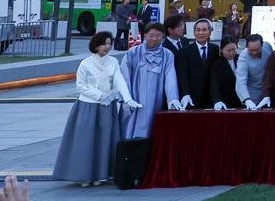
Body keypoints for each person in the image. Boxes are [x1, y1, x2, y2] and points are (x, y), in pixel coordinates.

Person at [53, 32, 139, 186]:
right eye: (104, 43)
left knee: (104, 139)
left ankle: (101, 174)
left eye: (109, 43)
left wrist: (127, 98)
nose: (107, 47)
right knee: (85, 140)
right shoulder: (85, 63)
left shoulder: (113, 62)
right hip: (87, 106)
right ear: (96, 45)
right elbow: (81, 85)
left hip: (107, 107)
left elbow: (119, 80)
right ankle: (84, 175)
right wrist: (100, 95)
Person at [120, 23, 182, 138]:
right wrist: (126, 98)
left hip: (155, 100)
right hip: (135, 97)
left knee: (152, 128)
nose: (154, 38)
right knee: (129, 130)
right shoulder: (133, 53)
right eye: (151, 35)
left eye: (158, 36)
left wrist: (172, 98)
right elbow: (124, 76)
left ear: (163, 37)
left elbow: (170, 77)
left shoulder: (167, 55)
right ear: (145, 35)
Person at [175, 18, 219, 109]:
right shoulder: (185, 51)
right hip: (191, 97)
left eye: (204, 30)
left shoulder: (215, 49)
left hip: (210, 97)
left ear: (210, 32)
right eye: (198, 30)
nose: (200, 33)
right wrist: (185, 93)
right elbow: (182, 75)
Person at [234, 34, 272, 109]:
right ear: (246, 47)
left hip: (268, 92)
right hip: (252, 96)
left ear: (262, 46)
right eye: (251, 50)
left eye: (257, 49)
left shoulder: (267, 47)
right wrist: (247, 100)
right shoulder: (243, 59)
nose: (254, 52)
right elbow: (240, 82)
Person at [209, 38, 243, 109]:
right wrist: (217, 100)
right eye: (228, 50)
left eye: (233, 50)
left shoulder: (240, 59)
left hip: (241, 99)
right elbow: (214, 85)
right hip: (226, 101)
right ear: (221, 50)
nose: (231, 53)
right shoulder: (217, 65)